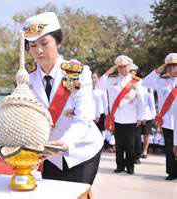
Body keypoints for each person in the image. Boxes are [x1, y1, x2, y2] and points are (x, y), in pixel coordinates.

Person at [22, 12, 104, 185]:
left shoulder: (78, 73)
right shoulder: (25, 77)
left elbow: (84, 117)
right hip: (49, 155)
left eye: (45, 43)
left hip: (82, 151)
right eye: (33, 45)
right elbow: (23, 115)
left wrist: (66, 143)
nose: (39, 51)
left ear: (58, 42)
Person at [96, 55, 144, 175]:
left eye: (124, 66)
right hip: (116, 118)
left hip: (131, 118)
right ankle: (120, 166)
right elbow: (99, 86)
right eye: (120, 67)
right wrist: (109, 71)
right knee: (119, 144)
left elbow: (141, 100)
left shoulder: (136, 81)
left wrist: (140, 117)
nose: (122, 69)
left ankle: (130, 166)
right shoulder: (111, 80)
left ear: (129, 67)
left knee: (130, 145)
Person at [142, 53, 177, 180]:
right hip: (167, 121)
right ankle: (172, 172)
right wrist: (159, 69)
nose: (174, 69)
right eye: (171, 66)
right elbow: (145, 83)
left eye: (176, 66)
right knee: (169, 148)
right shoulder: (161, 81)